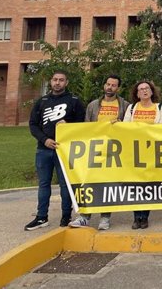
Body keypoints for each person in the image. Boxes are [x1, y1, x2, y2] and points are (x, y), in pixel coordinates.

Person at [25, 69, 86, 231]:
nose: (57, 82)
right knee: (44, 183)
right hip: (43, 149)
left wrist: (69, 125)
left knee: (65, 184)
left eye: (61, 80)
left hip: (65, 150)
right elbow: (33, 124)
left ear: (66, 83)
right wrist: (44, 140)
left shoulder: (74, 101)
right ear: (51, 82)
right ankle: (41, 217)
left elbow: (82, 124)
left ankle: (66, 215)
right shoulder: (42, 101)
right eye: (54, 79)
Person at [69, 74, 129, 230]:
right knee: (89, 181)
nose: (110, 87)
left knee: (109, 184)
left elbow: (130, 128)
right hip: (94, 149)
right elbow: (86, 127)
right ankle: (84, 216)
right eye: (108, 84)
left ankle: (105, 217)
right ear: (104, 85)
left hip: (114, 151)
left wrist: (122, 125)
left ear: (118, 88)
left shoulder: (125, 105)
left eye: (113, 85)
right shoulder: (93, 105)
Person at [122, 80, 162, 230]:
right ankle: (136, 217)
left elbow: (161, 128)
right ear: (137, 93)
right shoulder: (132, 108)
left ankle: (145, 217)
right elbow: (125, 127)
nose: (144, 91)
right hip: (134, 151)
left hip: (151, 151)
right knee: (135, 185)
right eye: (141, 89)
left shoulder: (159, 107)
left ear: (152, 91)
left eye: (147, 88)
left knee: (147, 185)